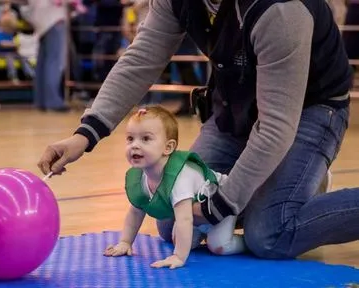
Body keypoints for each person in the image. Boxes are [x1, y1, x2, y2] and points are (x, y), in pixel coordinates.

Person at [38, 0, 355, 261]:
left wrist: (218, 205)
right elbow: (140, 59)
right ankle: (290, 185)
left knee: (269, 235)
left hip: (309, 110)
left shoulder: (281, 10)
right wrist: (84, 135)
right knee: (170, 217)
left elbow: (276, 127)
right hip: (236, 106)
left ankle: (287, 185)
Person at [104, 106, 246, 269]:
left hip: (221, 204)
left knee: (219, 246)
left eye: (145, 139)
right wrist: (125, 242)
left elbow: (184, 218)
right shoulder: (140, 176)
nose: (134, 146)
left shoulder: (179, 178)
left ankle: (247, 242)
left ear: (168, 147)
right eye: (130, 139)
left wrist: (179, 256)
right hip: (196, 215)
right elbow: (136, 211)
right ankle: (204, 232)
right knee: (181, 240)